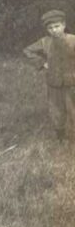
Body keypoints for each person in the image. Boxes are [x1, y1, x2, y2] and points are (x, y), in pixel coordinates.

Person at [23, 9, 75, 141]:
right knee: (56, 109)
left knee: (72, 108)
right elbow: (27, 51)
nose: (54, 30)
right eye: (50, 28)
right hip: (54, 82)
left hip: (72, 82)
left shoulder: (73, 40)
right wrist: (42, 63)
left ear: (63, 25)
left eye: (57, 26)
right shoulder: (45, 42)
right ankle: (60, 136)